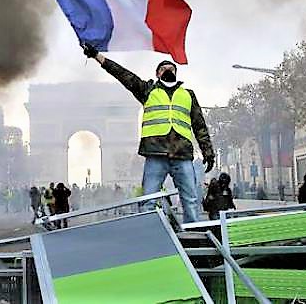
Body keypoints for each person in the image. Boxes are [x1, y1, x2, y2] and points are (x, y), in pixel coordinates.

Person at [83, 45, 214, 223]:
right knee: (148, 200)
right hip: (156, 154)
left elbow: (200, 126)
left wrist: (208, 151)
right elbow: (123, 74)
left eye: (171, 68)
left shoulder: (188, 95)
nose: (168, 70)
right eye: (163, 69)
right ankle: (150, 232)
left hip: (182, 154)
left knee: (190, 200)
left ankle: (194, 236)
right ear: (157, 74)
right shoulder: (147, 90)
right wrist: (97, 56)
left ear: (176, 73)